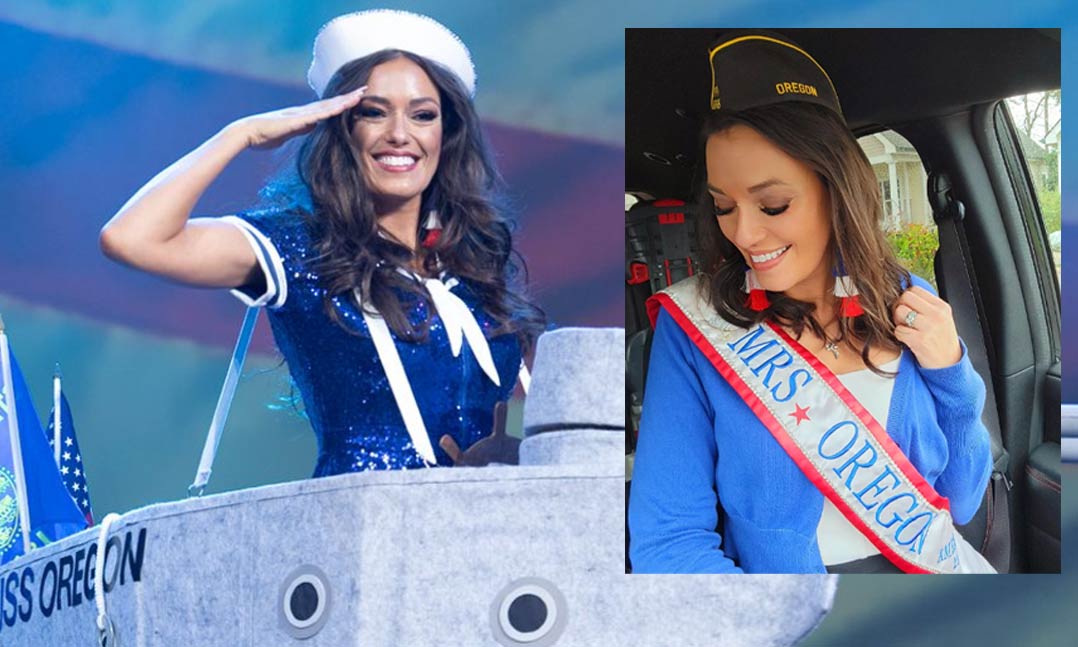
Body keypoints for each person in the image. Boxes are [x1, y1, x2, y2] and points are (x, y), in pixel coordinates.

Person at [99, 10, 544, 476]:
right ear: (342, 128)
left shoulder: (471, 264)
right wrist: (242, 134)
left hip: (491, 532)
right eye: (374, 112)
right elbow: (132, 238)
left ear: (446, 134)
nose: (399, 134)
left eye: (422, 115)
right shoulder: (300, 247)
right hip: (356, 532)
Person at [627, 31, 995, 574]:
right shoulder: (696, 330)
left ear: (836, 187)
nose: (744, 235)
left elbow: (962, 500)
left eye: (772, 204)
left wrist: (952, 373)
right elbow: (668, 544)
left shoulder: (911, 300)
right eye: (724, 206)